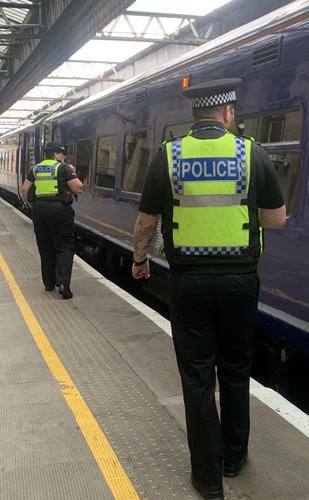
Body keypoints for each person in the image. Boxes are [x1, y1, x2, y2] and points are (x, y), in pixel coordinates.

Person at [132, 78, 286, 500]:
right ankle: (235, 456)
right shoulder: (252, 153)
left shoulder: (170, 155)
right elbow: (276, 220)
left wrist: (140, 260)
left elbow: (146, 221)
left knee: (197, 377)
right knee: (236, 371)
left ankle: (207, 478)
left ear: (194, 114)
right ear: (228, 113)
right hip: (239, 280)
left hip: (189, 281)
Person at [21, 142, 83, 299]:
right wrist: (73, 173)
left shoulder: (36, 168)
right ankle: (63, 285)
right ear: (55, 154)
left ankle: (49, 283)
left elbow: (25, 189)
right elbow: (78, 188)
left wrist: (31, 206)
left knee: (45, 247)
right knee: (64, 247)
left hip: (39, 211)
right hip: (60, 211)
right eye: (62, 153)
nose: (64, 157)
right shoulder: (63, 168)